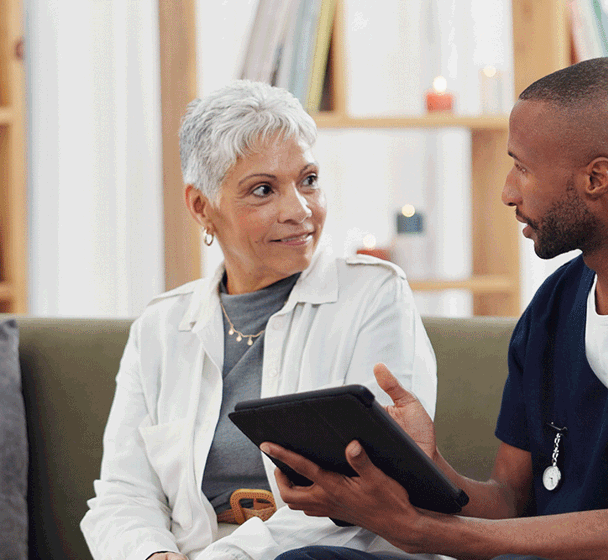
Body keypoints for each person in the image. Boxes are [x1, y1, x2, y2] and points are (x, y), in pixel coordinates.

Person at [260, 58, 608, 560]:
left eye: (522, 168)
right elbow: (510, 502)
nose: (507, 192)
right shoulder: (557, 301)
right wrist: (425, 468)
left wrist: (422, 530)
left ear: (596, 178)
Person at [80, 80, 439, 560]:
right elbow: (124, 494)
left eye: (308, 180)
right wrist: (153, 555)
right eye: (263, 190)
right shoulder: (160, 328)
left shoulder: (374, 295)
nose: (300, 210)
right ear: (201, 207)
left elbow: (365, 495)